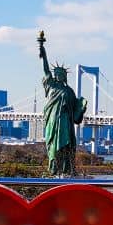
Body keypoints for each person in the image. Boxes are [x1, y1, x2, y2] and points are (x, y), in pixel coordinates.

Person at [39, 35, 87, 176]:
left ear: (64, 76)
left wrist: (81, 108)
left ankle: (67, 170)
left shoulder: (69, 91)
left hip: (65, 121)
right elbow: (46, 70)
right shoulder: (51, 85)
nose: (58, 75)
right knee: (53, 146)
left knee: (67, 145)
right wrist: (43, 51)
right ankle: (53, 170)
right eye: (56, 73)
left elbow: (75, 114)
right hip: (53, 120)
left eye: (60, 74)